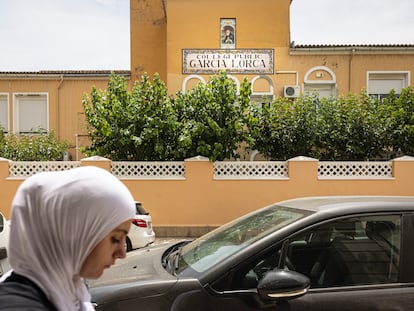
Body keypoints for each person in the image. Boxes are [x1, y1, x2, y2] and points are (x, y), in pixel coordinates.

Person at [0, 166, 136, 310]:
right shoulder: (16, 306)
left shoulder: (71, 290)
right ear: (73, 233)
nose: (122, 253)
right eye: (115, 238)